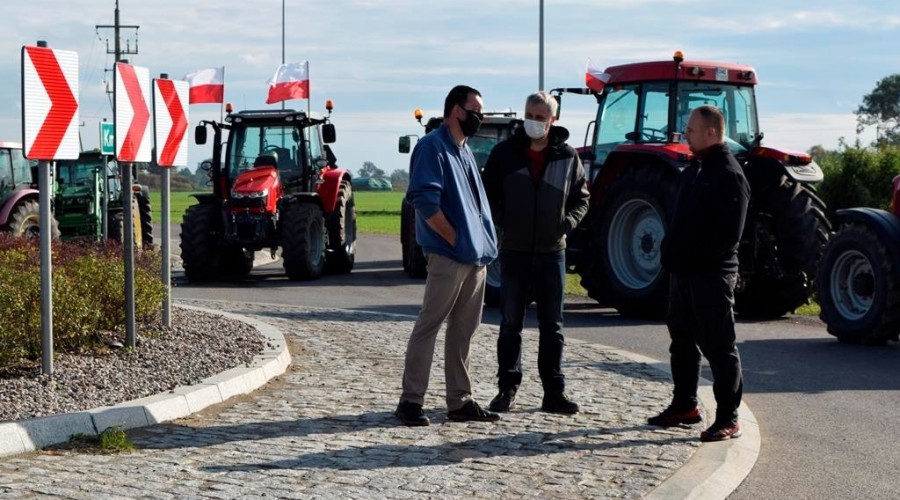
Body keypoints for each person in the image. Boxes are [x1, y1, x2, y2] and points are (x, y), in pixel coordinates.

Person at [395, 85, 500, 426]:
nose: (479, 117)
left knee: (464, 331)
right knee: (430, 325)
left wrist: (479, 244)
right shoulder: (432, 148)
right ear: (456, 110)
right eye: (475, 110)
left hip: (476, 258)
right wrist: (454, 238)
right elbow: (424, 201)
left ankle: (460, 400)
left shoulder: (464, 149)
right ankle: (411, 401)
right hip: (449, 256)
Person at [481, 91, 590, 415]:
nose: (534, 122)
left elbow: (582, 199)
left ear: (552, 120)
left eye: (540, 117)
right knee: (510, 324)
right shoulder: (504, 154)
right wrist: (504, 222)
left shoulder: (568, 156)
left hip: (551, 253)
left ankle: (553, 393)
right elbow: (489, 195)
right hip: (514, 253)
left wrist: (566, 224)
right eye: (530, 114)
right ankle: (507, 389)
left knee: (552, 327)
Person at [648, 104, 751, 442]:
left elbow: (727, 236)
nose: (685, 133)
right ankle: (685, 406)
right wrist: (670, 254)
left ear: (710, 132)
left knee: (719, 346)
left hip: (711, 275)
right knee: (682, 342)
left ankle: (728, 418)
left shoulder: (729, 174)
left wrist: (693, 261)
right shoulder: (694, 171)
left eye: (691, 128)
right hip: (683, 273)